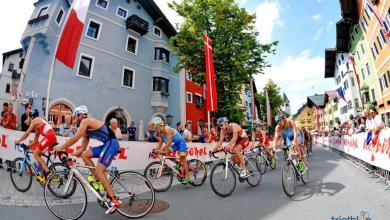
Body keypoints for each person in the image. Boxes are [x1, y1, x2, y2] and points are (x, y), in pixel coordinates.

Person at [54, 106, 122, 212]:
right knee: (85, 154)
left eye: (75, 117)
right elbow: (82, 149)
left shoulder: (85, 121)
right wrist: (69, 155)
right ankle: (98, 181)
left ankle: (114, 200)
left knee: (99, 170)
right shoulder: (86, 131)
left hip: (112, 143)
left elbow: (75, 137)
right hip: (107, 144)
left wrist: (61, 147)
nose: (74, 120)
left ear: (81, 115)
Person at [14, 109, 57, 183]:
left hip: (49, 137)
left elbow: (27, 133)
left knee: (36, 154)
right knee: (38, 155)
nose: (28, 119)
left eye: (28, 117)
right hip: (51, 137)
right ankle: (42, 175)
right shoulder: (38, 124)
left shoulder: (34, 120)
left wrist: (18, 141)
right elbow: (35, 141)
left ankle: (48, 173)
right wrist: (27, 145)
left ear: (31, 117)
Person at [153, 117, 190, 184]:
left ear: (160, 126)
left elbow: (169, 142)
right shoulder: (161, 133)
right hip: (176, 144)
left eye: (156, 128)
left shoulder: (167, 128)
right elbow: (160, 143)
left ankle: (187, 177)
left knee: (182, 157)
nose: (155, 130)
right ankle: (177, 163)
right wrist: (156, 150)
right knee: (166, 153)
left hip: (181, 142)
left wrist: (160, 150)